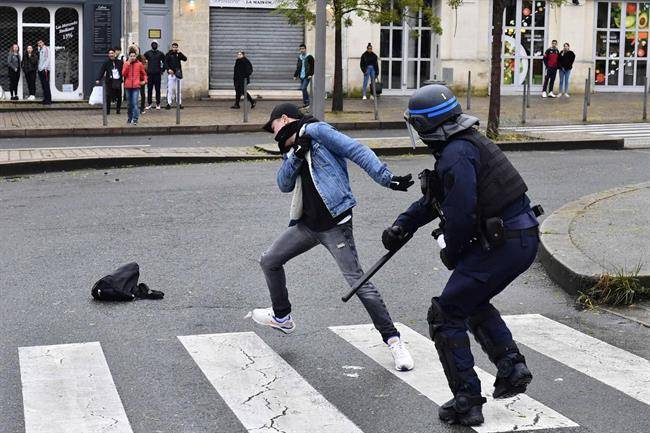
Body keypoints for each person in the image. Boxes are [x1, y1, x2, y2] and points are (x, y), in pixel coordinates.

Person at [383, 84, 539, 426]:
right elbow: (436, 198)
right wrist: (402, 225)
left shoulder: (456, 154)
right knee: (468, 300)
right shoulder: (464, 144)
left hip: (504, 242)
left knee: (446, 313)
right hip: (520, 237)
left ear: (426, 126)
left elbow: (461, 214)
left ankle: (467, 400)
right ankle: (511, 366)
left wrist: (453, 253)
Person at [251, 103, 416, 372]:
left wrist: (388, 179)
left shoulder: (318, 131)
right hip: (307, 226)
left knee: (359, 282)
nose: (273, 135)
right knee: (269, 260)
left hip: (335, 226)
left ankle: (394, 341)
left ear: (284, 119)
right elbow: (283, 184)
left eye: (274, 127)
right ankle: (282, 316)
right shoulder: (294, 147)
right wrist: (296, 154)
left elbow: (356, 150)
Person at [122, 49, 147, 125]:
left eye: (134, 56)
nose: (132, 57)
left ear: (136, 56)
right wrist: (128, 64)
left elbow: (144, 74)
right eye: (131, 56)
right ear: (129, 56)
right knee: (129, 104)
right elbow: (123, 74)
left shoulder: (139, 64)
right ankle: (129, 118)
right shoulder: (126, 64)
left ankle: (135, 119)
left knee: (135, 103)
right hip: (128, 86)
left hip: (136, 86)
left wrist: (145, 81)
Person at [95, 48, 123, 114]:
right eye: (109, 53)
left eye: (112, 53)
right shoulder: (106, 62)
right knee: (108, 96)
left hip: (118, 81)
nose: (111, 55)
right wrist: (98, 79)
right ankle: (108, 111)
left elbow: (124, 70)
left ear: (115, 54)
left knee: (119, 96)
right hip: (110, 81)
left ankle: (118, 110)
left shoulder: (120, 62)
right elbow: (102, 71)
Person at [144, 41, 165, 110]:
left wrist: (162, 70)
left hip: (157, 74)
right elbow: (143, 61)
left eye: (155, 44)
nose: (154, 45)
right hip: (149, 74)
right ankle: (149, 103)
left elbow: (164, 62)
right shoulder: (147, 53)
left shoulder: (161, 54)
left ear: (157, 45)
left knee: (157, 90)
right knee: (149, 89)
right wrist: (145, 71)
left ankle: (158, 103)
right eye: (153, 44)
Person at [165, 42, 187, 110]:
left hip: (178, 74)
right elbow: (165, 63)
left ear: (177, 48)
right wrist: (168, 69)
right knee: (170, 89)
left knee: (178, 90)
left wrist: (180, 53)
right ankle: (169, 103)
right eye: (173, 47)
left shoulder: (178, 54)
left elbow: (185, 59)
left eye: (176, 47)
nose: (174, 48)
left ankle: (179, 103)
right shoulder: (168, 54)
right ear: (172, 47)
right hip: (171, 74)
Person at [293, 44, 314, 108]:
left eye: (303, 49)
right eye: (300, 49)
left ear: (305, 49)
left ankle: (307, 102)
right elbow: (298, 67)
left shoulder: (309, 57)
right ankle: (305, 103)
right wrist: (295, 75)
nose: (302, 50)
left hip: (307, 76)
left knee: (303, 88)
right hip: (301, 76)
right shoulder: (300, 57)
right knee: (303, 89)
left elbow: (313, 66)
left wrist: (311, 74)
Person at [36, 40, 51, 105]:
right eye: (38, 43)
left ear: (43, 43)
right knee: (43, 85)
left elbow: (47, 59)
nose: (39, 44)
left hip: (45, 70)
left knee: (46, 85)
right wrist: (39, 69)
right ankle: (45, 99)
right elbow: (40, 60)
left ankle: (48, 100)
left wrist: (44, 68)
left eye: (40, 42)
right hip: (40, 70)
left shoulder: (46, 49)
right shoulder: (40, 50)